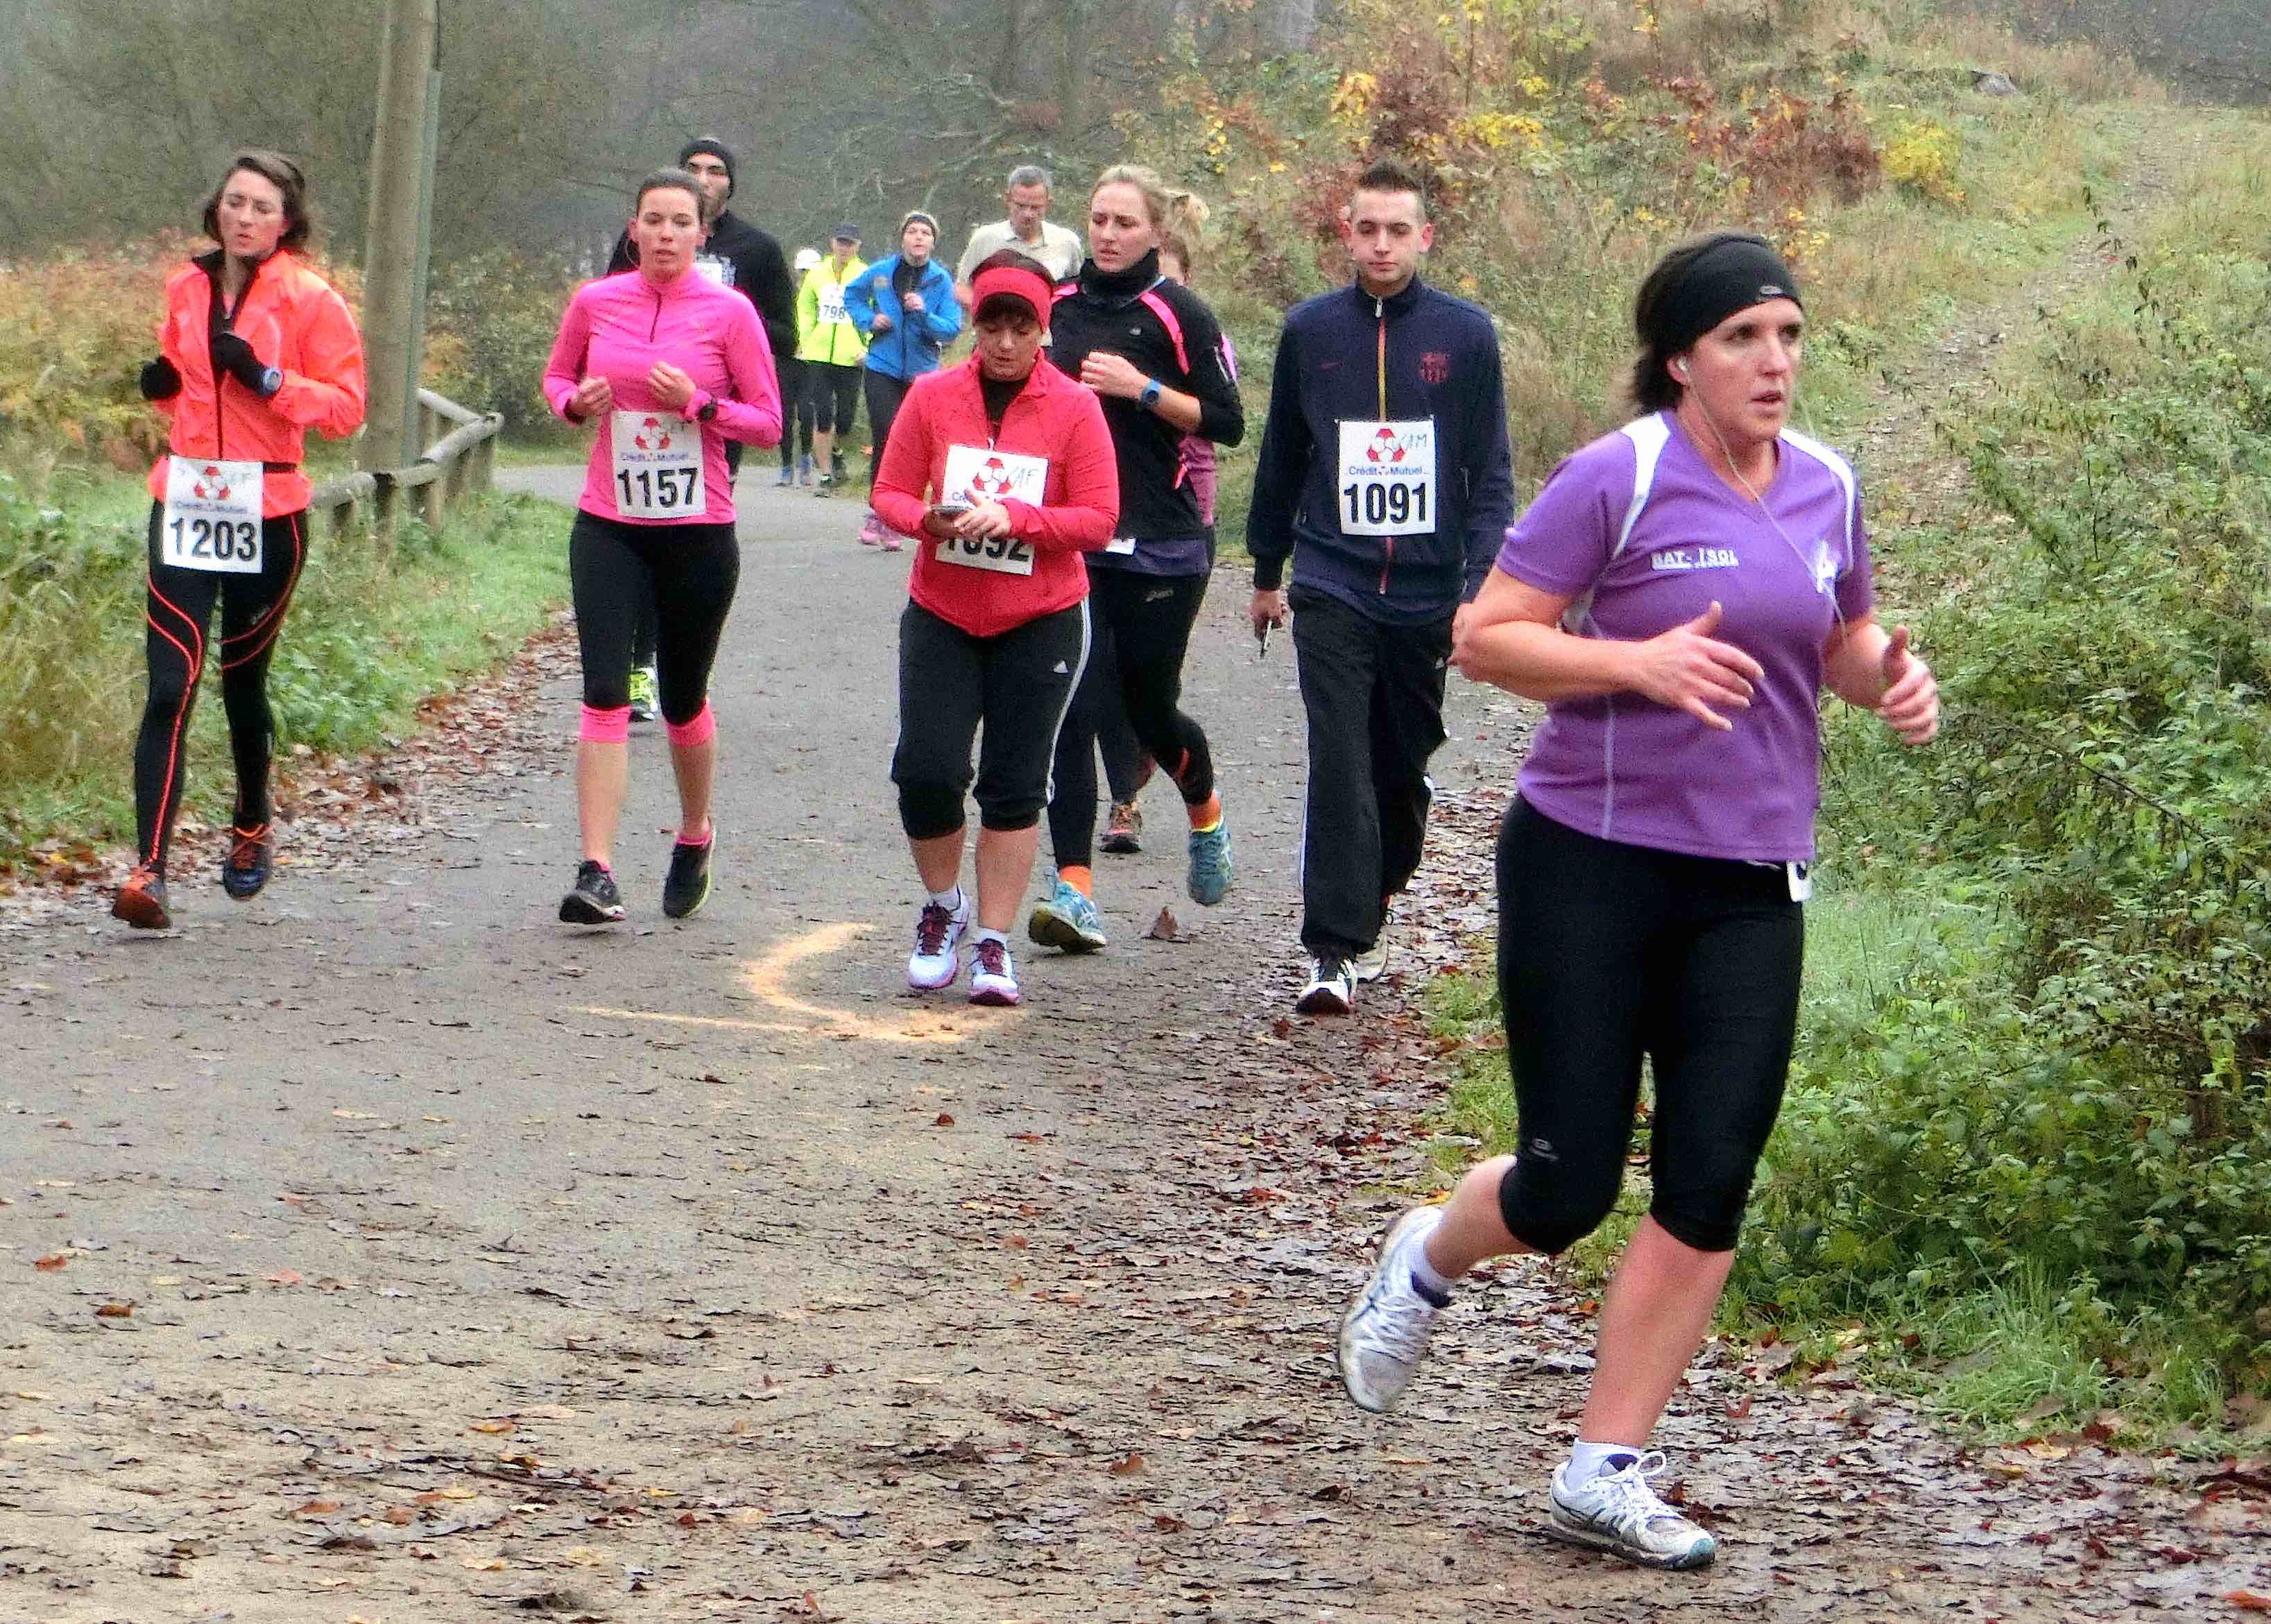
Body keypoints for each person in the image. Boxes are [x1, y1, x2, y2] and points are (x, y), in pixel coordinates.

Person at [1333, 231, 1939, 1570]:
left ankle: (1600, 1467)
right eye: (1740, 339)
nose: (1771, 362)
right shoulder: (1619, 475)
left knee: (1708, 1180)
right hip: (1589, 862)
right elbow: (1484, 637)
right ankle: (1424, 1258)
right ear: (1678, 359)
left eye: (1786, 336)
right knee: (1562, 1188)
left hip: (1749, 879)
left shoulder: (1826, 483)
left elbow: (1837, 638)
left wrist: (1891, 678)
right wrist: (1637, 665)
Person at [1246, 157, 1514, 1015]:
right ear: (1346, 234)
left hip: (1429, 589)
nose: (1382, 245)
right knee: (1338, 757)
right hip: (1332, 580)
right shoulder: (1310, 331)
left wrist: (1481, 585)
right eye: (1367, 229)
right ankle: (1332, 948)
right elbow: (1282, 457)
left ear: (1424, 237)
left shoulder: (1465, 335)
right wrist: (1266, 572)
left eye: (1398, 230)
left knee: (1396, 768)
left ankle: (1383, 866)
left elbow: (1490, 472)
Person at [113, 150, 367, 930]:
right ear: (216, 209)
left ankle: (252, 819)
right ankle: (150, 871)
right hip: (187, 500)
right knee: (169, 685)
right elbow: (187, 392)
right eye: (235, 202)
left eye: (261, 207)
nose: (245, 217)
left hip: (268, 508)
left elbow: (347, 408)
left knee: (242, 683)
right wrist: (162, 388)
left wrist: (267, 379)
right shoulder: (185, 287)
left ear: (285, 222)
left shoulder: (312, 299)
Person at [872, 252, 1120, 1006]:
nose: (1006, 342)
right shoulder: (931, 395)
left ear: (1043, 330)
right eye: (992, 326)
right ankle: (943, 907)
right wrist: (928, 519)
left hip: (1040, 617)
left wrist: (1017, 518)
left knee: (1016, 782)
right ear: (973, 326)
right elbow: (887, 492)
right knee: (927, 770)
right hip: (943, 611)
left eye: (1022, 327)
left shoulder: (1075, 407)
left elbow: (1098, 519)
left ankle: (993, 941)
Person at [543, 168, 782, 925]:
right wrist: (573, 403)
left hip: (697, 532)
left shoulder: (730, 313)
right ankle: (597, 869)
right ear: (634, 229)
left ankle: (695, 832)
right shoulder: (595, 301)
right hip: (609, 525)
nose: (667, 234)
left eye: (682, 222)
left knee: (682, 699)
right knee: (604, 691)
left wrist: (700, 405)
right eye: (654, 220)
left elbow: (768, 423)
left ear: (702, 234)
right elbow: (557, 377)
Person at [1026, 166, 1244, 954]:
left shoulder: (1179, 311)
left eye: (1125, 222)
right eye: (1099, 220)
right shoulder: (1056, 306)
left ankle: (1205, 814)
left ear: (1156, 230)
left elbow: (1226, 422)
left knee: (1150, 710)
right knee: (1072, 711)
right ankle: (1074, 892)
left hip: (1162, 542)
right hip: (1074, 539)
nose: (1109, 234)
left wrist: (1139, 387)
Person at [606, 137, 793, 717]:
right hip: (638, 420)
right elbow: (606, 312)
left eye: (716, 171)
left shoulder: (757, 248)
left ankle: (682, 666)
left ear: (729, 187)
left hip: (712, 417)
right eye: (694, 168)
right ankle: (641, 667)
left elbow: (788, 336)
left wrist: (727, 317)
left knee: (685, 543)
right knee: (639, 533)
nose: (705, 177)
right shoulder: (639, 242)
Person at [843, 212, 962, 549]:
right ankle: (878, 512)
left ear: (933, 241)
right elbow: (852, 295)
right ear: (903, 238)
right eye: (913, 231)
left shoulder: (940, 280)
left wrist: (924, 313)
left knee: (912, 444)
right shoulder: (882, 272)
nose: (919, 237)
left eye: (925, 232)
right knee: (886, 434)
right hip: (882, 365)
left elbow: (951, 328)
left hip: (922, 374)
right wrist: (869, 319)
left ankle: (900, 515)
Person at [796, 224, 868, 496]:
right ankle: (826, 474)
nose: (844, 248)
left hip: (852, 357)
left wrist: (867, 344)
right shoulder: (817, 273)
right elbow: (804, 306)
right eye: (841, 242)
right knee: (823, 415)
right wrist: (807, 338)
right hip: (818, 355)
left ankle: (836, 450)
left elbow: (876, 309)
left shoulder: (866, 274)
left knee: (845, 420)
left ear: (858, 246)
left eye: (850, 243)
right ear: (832, 242)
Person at [953, 164, 1083, 305]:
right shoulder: (984, 239)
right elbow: (962, 287)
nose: (1028, 214)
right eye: (1020, 206)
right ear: (1008, 199)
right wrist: (986, 311)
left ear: (1048, 203)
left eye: (1036, 207)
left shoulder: (1067, 243)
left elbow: (1078, 289)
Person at [778, 246, 822, 486]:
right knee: (784, 415)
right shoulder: (786, 296)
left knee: (807, 413)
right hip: (786, 360)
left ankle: (805, 460)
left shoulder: (823, 297)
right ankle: (786, 466)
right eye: (803, 271)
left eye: (811, 271)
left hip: (811, 362)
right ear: (796, 272)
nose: (806, 276)